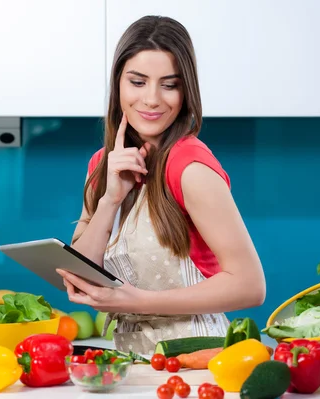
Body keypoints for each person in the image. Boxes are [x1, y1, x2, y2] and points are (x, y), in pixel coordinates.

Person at [56, 15, 266, 355]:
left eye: (169, 85)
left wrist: (138, 301)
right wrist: (109, 200)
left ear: (186, 91)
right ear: (118, 84)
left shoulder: (190, 166)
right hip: (131, 359)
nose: (152, 99)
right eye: (137, 82)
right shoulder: (103, 164)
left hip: (198, 356)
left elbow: (250, 286)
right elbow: (80, 276)